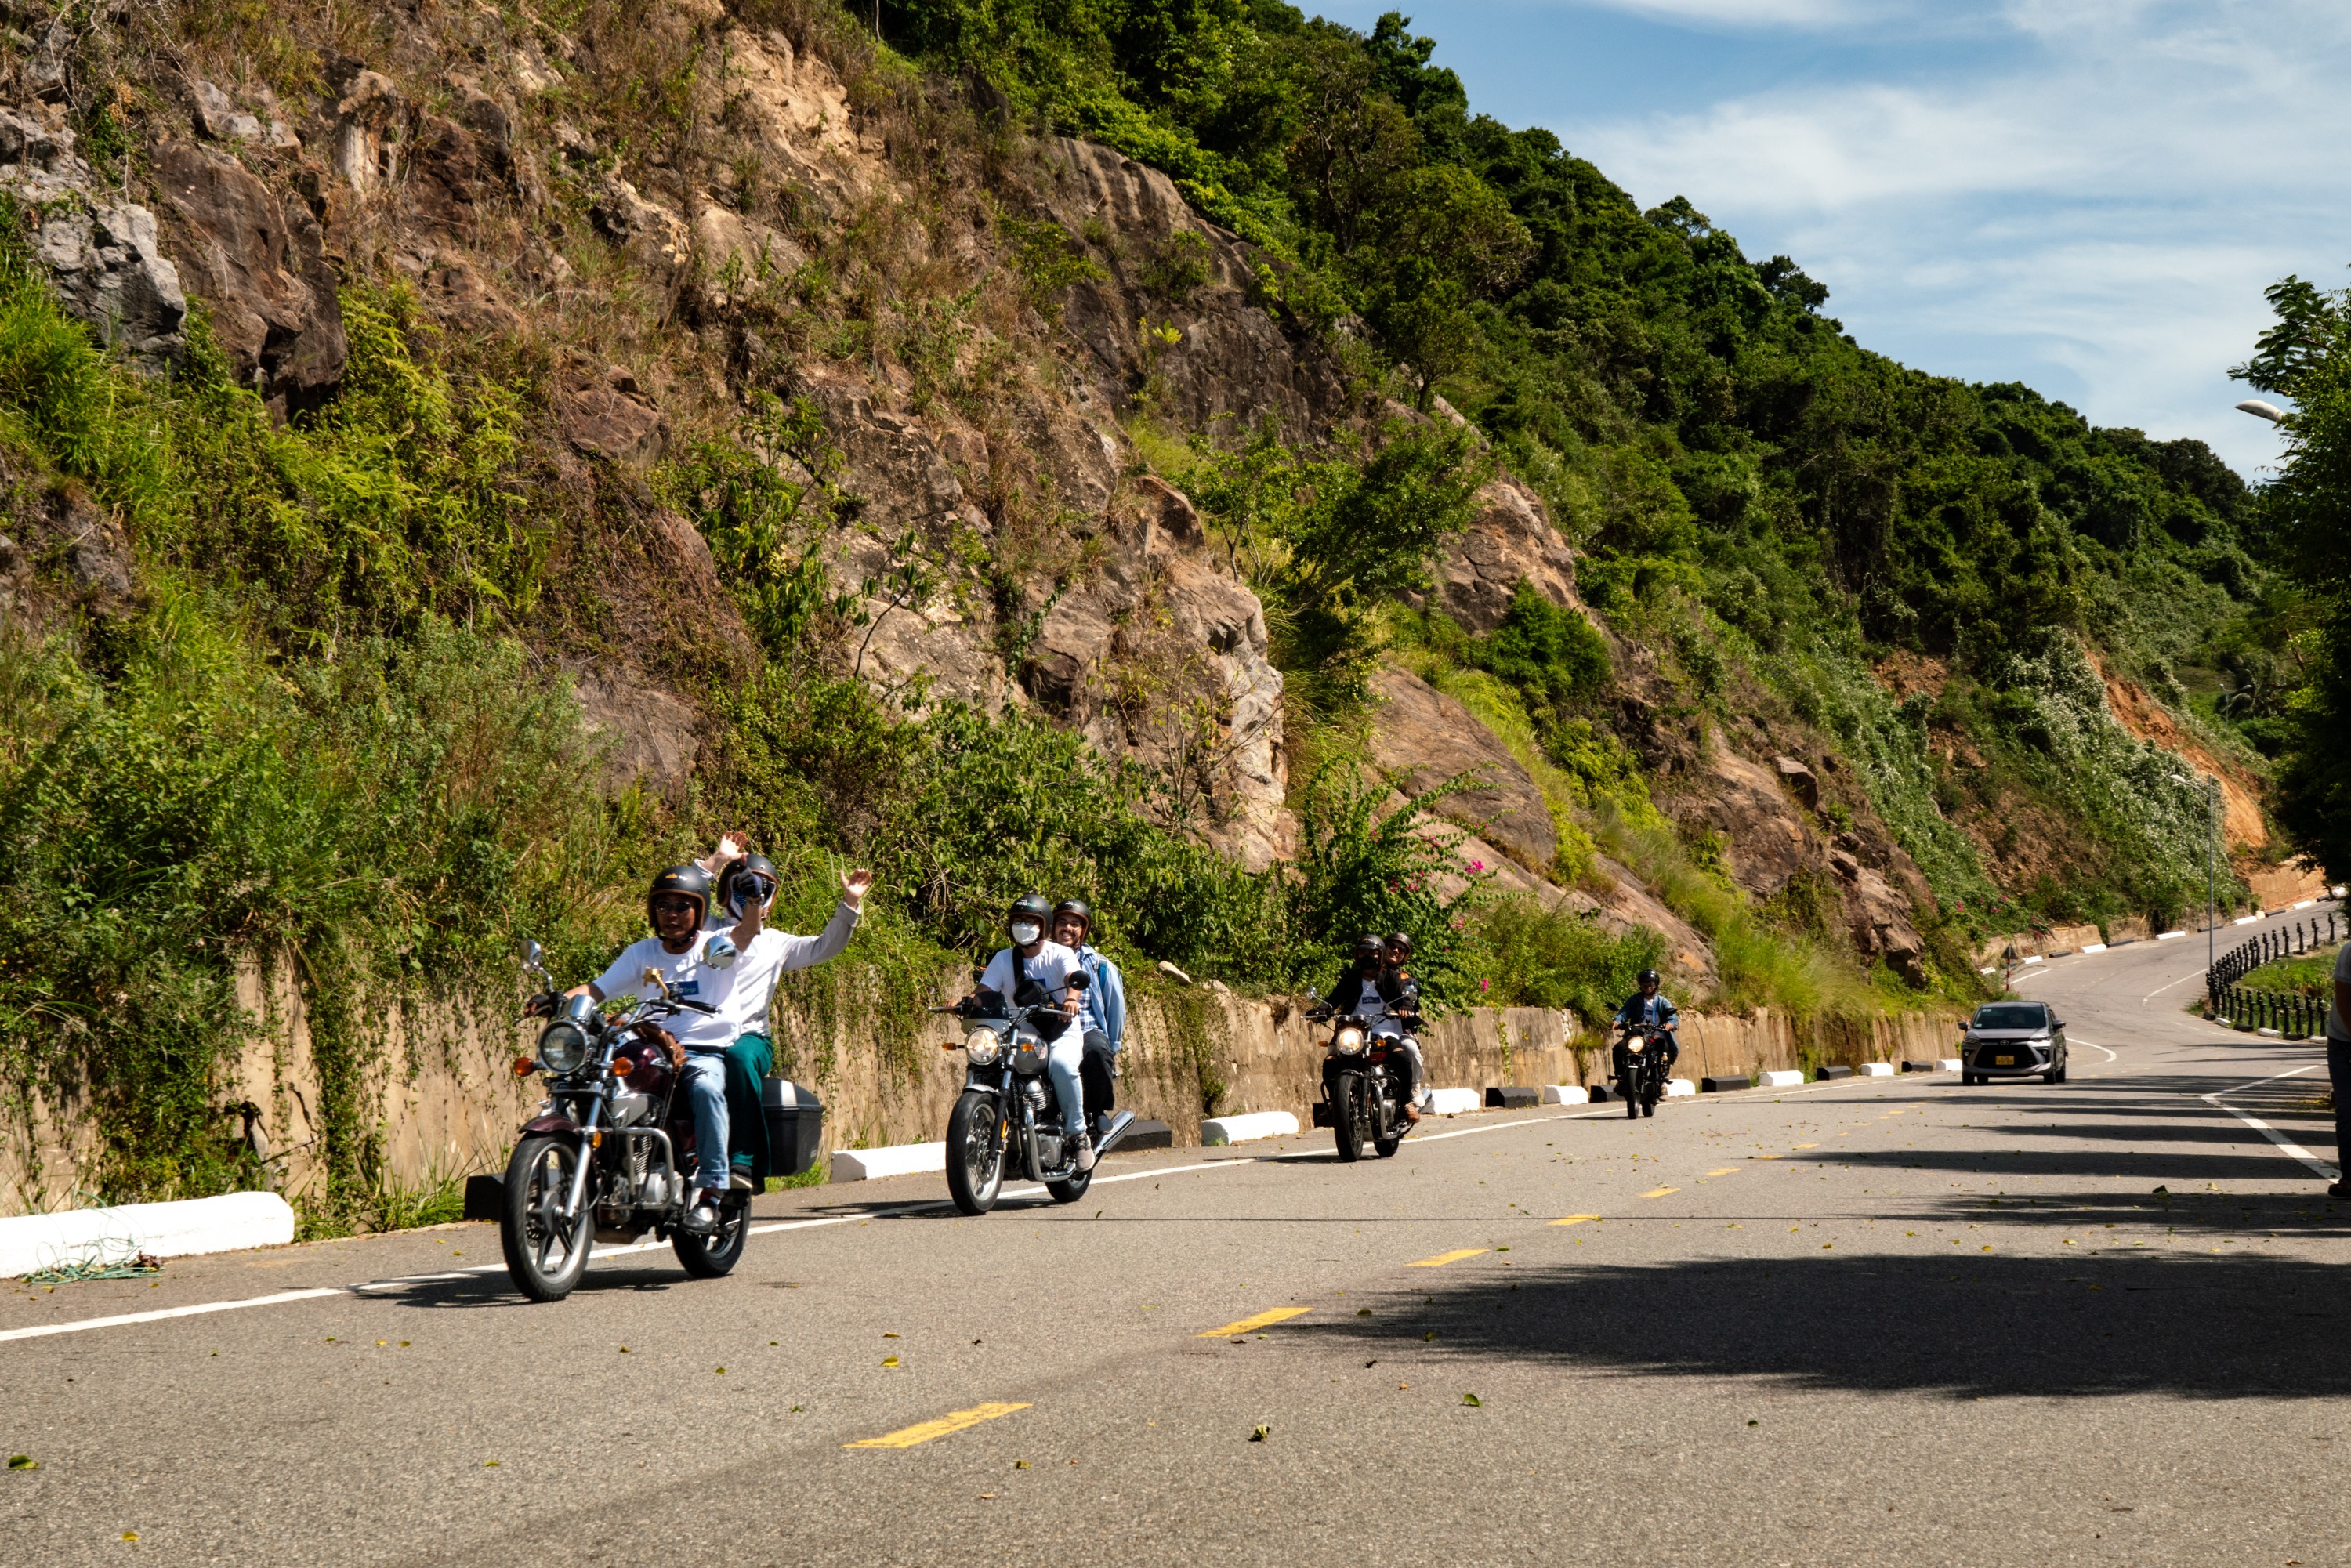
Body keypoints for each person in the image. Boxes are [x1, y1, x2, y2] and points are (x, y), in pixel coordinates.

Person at [540, 856, 871, 1234]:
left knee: (719, 1077)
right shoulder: (644, 951)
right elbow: (597, 989)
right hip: (654, 1044)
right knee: (600, 1075)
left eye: (682, 907)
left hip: (717, 1043)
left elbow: (753, 935)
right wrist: (557, 1001)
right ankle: (600, 1171)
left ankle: (717, 1184)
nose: (673, 914)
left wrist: (841, 906)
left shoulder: (721, 945)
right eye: (664, 906)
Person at [969, 893, 1095, 1171]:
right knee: (986, 1062)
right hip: (1017, 1033)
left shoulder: (1059, 954)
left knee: (1062, 1066)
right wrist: (964, 1001)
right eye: (1018, 921)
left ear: (1044, 926)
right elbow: (985, 991)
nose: (1023, 926)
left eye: (1030, 921)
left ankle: (1078, 1136)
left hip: (1060, 1030)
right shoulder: (1003, 959)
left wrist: (1072, 998)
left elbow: (1071, 979)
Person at [1322, 934, 1420, 1124]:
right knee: (1330, 1062)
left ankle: (1407, 1103)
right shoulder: (1350, 978)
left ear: (1381, 956)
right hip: (1354, 1031)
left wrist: (1406, 1006)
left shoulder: (1392, 977)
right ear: (1357, 956)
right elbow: (1332, 1000)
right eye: (1363, 953)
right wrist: (1322, 1009)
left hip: (1384, 1030)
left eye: (1373, 953)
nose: (1368, 957)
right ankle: (1336, 1103)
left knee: (1401, 1056)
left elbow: (1404, 995)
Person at [1052, 899, 1127, 1142]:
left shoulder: (1099, 965)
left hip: (1086, 1028)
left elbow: (1115, 1009)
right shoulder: (1040, 957)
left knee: (1096, 1050)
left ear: (1083, 931)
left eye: (1075, 924)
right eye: (1062, 922)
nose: (1067, 928)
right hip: (1047, 1029)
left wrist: (1112, 1044)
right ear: (1052, 927)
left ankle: (1097, 1111)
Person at [1381, 932, 1431, 1119]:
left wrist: (1406, 1007)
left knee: (1410, 1050)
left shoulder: (1407, 979)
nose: (1396, 951)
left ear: (1405, 956)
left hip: (1399, 1029)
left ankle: (1413, 1088)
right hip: (1371, 1028)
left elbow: (1411, 999)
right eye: (1392, 946)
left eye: (1401, 949)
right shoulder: (1367, 974)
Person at [1613, 967, 1680, 1091]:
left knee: (1665, 1049)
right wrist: (1617, 1020)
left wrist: (1670, 1024)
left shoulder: (1663, 1002)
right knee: (1618, 1049)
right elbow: (1624, 1012)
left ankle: (1662, 1080)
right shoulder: (1634, 1000)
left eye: (1650, 984)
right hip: (1636, 1035)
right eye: (1644, 984)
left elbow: (1672, 1017)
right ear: (1640, 985)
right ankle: (1622, 1078)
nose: (1647, 986)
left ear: (1656, 984)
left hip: (1656, 1035)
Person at [2329, 938, 2351, 1199]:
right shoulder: (2350, 953)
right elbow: (2346, 1003)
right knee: (2348, 1108)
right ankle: (2349, 1177)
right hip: (2344, 1042)